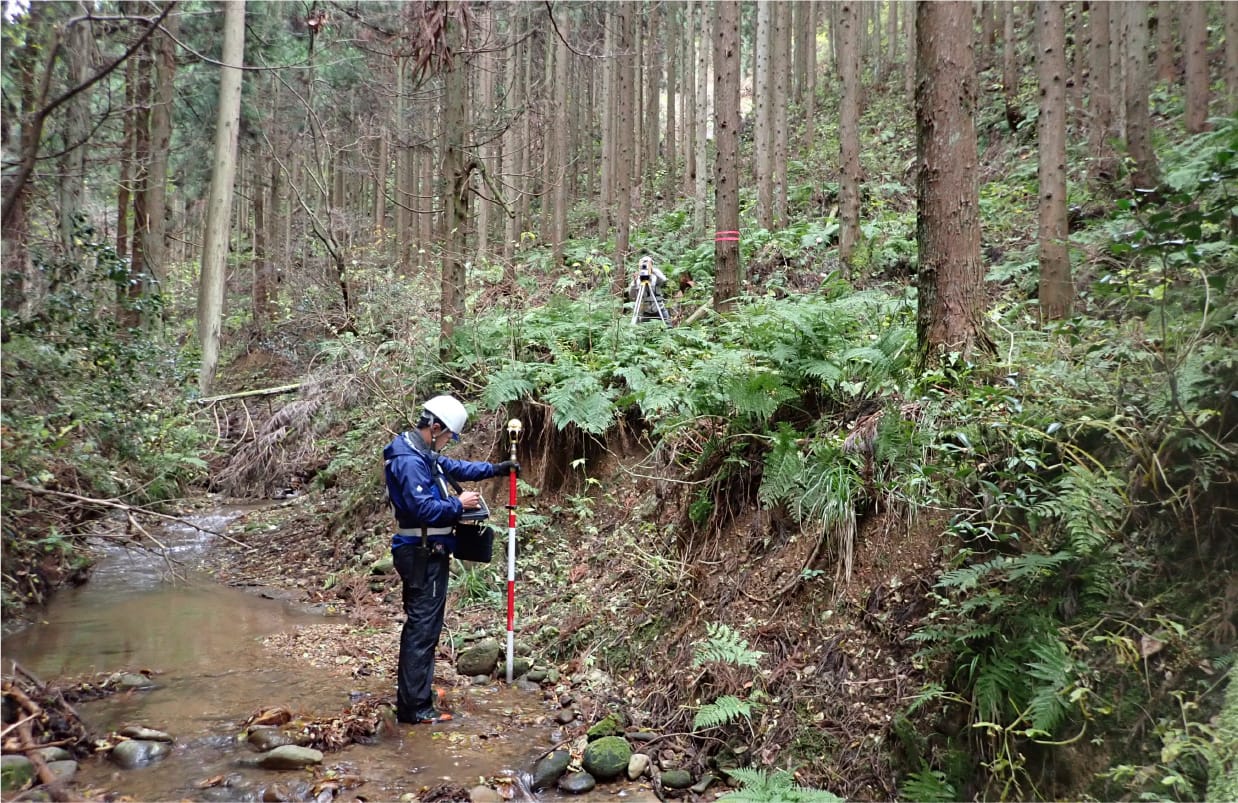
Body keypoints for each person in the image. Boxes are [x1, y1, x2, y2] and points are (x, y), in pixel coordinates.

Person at [382, 394, 519, 725]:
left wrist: (497, 469)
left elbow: (454, 467)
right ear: (435, 427)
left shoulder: (421, 452)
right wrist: (459, 504)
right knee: (422, 630)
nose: (447, 443)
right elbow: (422, 509)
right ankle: (415, 709)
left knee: (425, 628)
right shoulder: (409, 460)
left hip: (428, 552)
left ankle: (417, 696)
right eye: (447, 437)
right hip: (421, 554)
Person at [626, 255, 670, 324]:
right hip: (646, 313)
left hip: (659, 309)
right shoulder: (638, 279)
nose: (645, 266)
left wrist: (652, 270)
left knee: (668, 327)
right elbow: (632, 296)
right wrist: (634, 282)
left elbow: (664, 280)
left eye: (648, 264)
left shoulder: (656, 276)